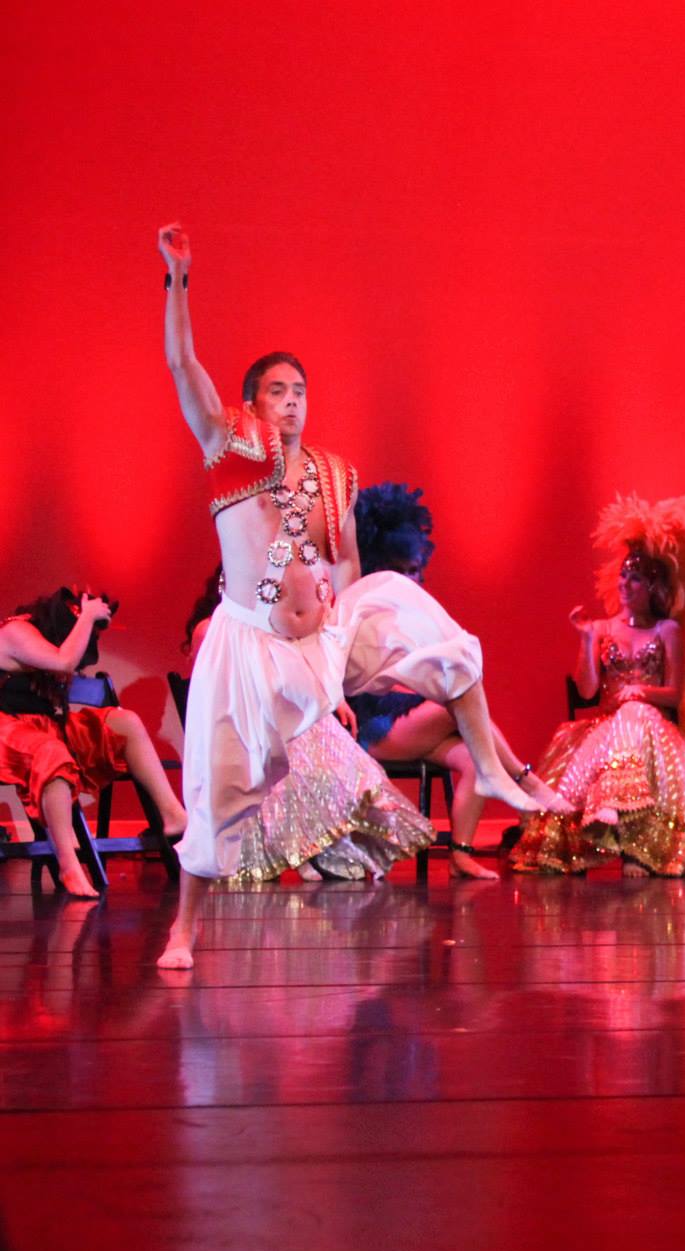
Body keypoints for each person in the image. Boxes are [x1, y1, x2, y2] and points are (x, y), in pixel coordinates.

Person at [157, 222, 545, 894]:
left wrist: (337, 670)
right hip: (255, 643)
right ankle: (191, 919)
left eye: (300, 391)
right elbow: (182, 364)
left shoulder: (334, 475)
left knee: (399, 596)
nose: (292, 401)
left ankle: (489, 763)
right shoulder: (229, 450)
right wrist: (178, 277)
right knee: (220, 795)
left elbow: (346, 571)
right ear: (251, 403)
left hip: (318, 645)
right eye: (278, 391)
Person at [508, 494, 685, 876]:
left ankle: (629, 832)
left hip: (654, 730)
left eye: (635, 578)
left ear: (653, 586)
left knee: (635, 712)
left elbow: (674, 694)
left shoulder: (667, 631)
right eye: (623, 575)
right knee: (620, 723)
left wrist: (642, 693)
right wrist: (587, 641)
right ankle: (608, 812)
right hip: (606, 730)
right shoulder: (602, 628)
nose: (625, 583)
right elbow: (588, 692)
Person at [347, 483, 560, 879]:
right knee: (458, 710)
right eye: (401, 571)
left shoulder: (420, 615)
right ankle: (526, 780)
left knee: (473, 755)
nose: (411, 579)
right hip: (373, 727)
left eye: (415, 570)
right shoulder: (367, 610)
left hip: (410, 723)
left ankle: (460, 855)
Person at [183, 570, 434, 883]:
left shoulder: (264, 628)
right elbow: (214, 691)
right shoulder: (211, 629)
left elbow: (293, 672)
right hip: (238, 721)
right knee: (294, 742)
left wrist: (331, 698)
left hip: (277, 715)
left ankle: (327, 838)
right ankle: (304, 845)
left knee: (318, 728)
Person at [1, 587, 188, 896]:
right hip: (8, 729)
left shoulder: (50, 641)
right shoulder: (16, 630)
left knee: (125, 721)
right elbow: (63, 661)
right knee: (51, 753)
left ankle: (173, 815)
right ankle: (69, 864)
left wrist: (91, 622)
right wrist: (87, 616)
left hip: (48, 726)